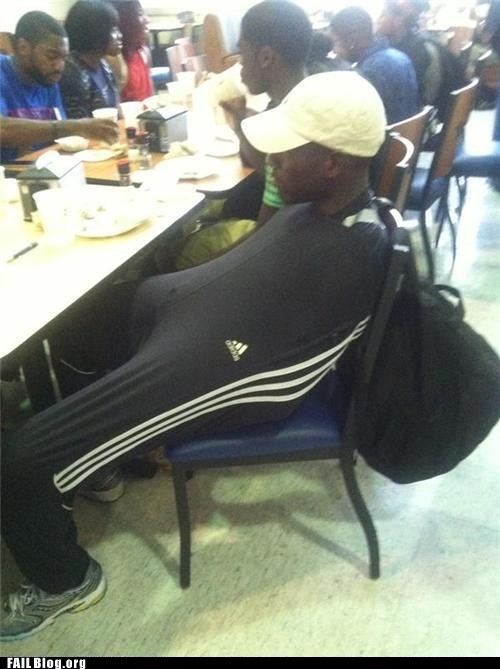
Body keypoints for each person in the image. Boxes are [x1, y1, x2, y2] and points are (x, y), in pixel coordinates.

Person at [1, 70, 389, 641]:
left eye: (287, 148)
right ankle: (96, 462)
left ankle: (66, 581)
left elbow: (272, 353)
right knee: (73, 326)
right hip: (204, 324)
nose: (272, 158)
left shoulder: (355, 249)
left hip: (239, 370)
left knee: (18, 461)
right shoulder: (314, 207)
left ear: (333, 163)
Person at [220, 0, 313, 225]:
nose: (240, 65)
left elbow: (266, 231)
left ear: (266, 57)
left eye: (242, 53)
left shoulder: (292, 125)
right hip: (301, 232)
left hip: (287, 237)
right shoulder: (301, 100)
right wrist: (241, 125)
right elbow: (268, 172)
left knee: (189, 244)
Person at [0, 11, 119, 164]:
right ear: (24, 47)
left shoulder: (47, 78)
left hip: (39, 169)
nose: (59, 66)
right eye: (52, 57)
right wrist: (76, 127)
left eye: (64, 58)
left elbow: (57, 140)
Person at [330, 5, 419, 123]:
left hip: (387, 132)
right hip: (405, 131)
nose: (334, 51)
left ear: (350, 41)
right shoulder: (397, 55)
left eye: (335, 42)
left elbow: (358, 119)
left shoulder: (371, 71)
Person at [59, 0, 122, 118]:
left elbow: (116, 110)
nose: (120, 35)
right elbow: (78, 123)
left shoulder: (103, 65)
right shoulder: (72, 73)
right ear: (95, 32)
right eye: (113, 30)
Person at [109, 0, 153, 102]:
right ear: (125, 21)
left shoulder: (142, 51)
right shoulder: (113, 59)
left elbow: (150, 96)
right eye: (140, 14)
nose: (147, 20)